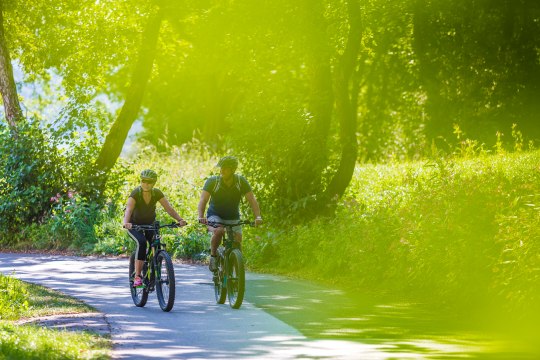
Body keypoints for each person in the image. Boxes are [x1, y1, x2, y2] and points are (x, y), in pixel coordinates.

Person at [123, 169, 187, 287]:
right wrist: (126, 222)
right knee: (142, 243)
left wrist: (180, 220)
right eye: (143, 181)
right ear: (141, 181)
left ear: (154, 183)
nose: (146, 184)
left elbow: (169, 209)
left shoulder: (156, 193)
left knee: (155, 243)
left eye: (149, 182)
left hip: (150, 224)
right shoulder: (135, 193)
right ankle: (137, 276)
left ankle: (153, 268)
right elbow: (129, 209)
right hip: (134, 225)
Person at [198, 156, 263, 271]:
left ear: (233, 170)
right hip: (215, 215)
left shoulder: (240, 181)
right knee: (219, 231)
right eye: (221, 168)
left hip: (233, 216)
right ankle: (213, 256)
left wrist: (257, 217)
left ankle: (234, 272)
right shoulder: (213, 181)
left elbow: (252, 199)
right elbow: (203, 200)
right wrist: (201, 216)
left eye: (225, 168)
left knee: (237, 241)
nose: (221, 171)